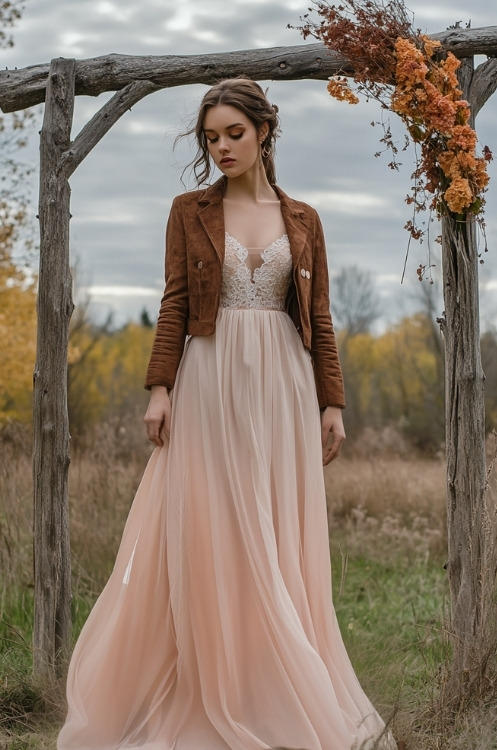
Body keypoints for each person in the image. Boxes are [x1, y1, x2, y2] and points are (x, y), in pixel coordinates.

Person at [57, 78, 396, 750]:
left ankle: (272, 684)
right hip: (209, 381)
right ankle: (212, 684)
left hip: (284, 389)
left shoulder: (305, 219)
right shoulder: (189, 211)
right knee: (216, 525)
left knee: (274, 531)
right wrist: (161, 388)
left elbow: (319, 317)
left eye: (233, 134)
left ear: (265, 131)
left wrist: (333, 402)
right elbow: (175, 302)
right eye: (211, 138)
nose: (221, 148)